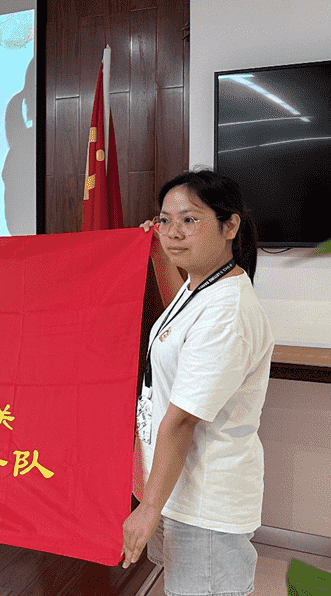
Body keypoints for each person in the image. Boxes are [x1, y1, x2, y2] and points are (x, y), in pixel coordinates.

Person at [121, 170, 274, 596]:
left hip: (205, 503)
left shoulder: (227, 312)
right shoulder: (200, 288)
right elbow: (178, 318)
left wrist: (148, 508)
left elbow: (182, 420)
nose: (173, 233)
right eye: (165, 220)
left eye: (189, 220)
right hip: (177, 487)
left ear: (230, 226)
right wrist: (157, 256)